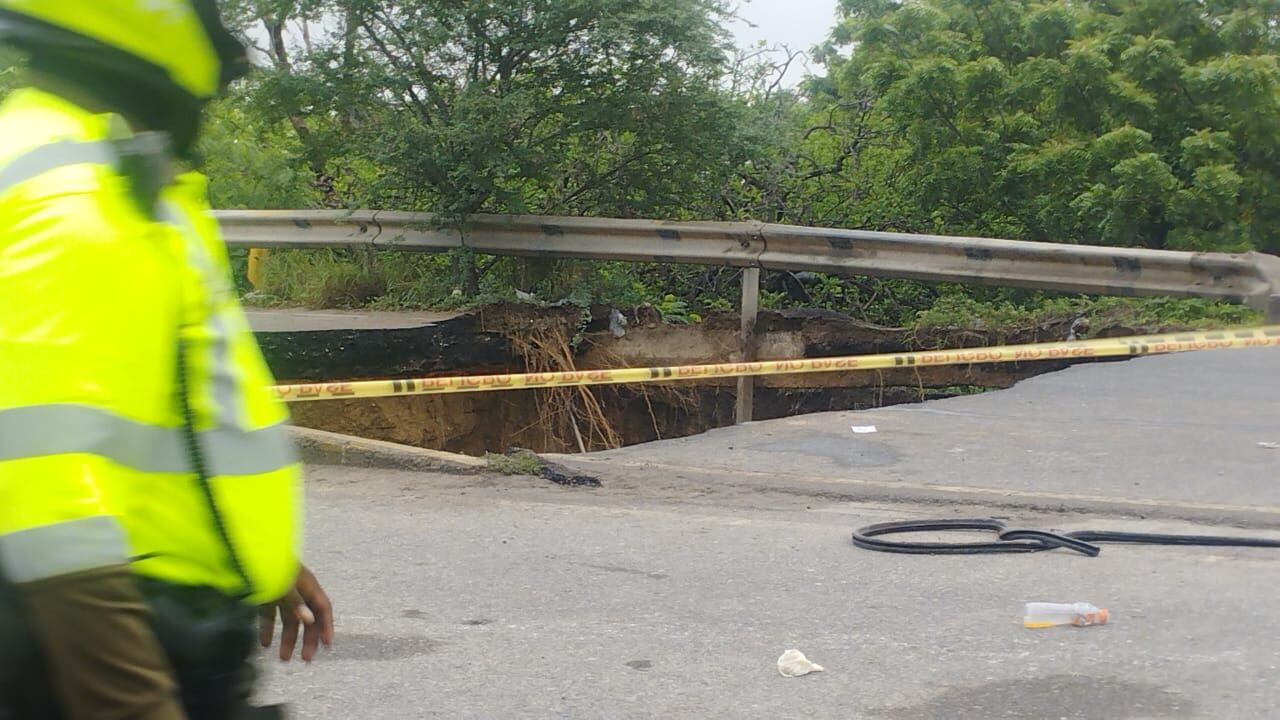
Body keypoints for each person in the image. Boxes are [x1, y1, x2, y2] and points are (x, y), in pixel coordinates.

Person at [0, 1, 333, 717]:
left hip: (143, 612)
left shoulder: (95, 163)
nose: (226, 45)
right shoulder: (76, 195)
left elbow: (164, 400)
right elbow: (46, 489)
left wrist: (254, 553)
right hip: (109, 639)